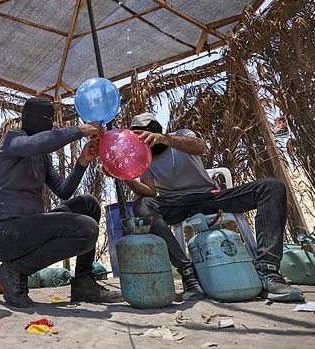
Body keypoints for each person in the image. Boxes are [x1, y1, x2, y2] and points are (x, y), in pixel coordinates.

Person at [123, 112, 304, 302]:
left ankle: (268, 271)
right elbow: (149, 192)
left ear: (154, 131)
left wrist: (165, 139)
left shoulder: (181, 135)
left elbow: (200, 147)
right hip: (177, 204)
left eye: (144, 135)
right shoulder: (144, 159)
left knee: (270, 187)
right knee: (142, 205)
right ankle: (188, 275)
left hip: (211, 197)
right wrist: (125, 177)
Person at [0, 97, 123, 308]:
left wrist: (82, 161)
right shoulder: (13, 139)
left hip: (31, 229)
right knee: (86, 229)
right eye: (45, 119)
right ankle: (15, 270)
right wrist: (79, 130)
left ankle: (84, 282)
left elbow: (64, 191)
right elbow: (35, 143)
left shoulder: (43, 158)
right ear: (28, 119)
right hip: (5, 235)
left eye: (50, 120)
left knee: (88, 205)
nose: (49, 124)